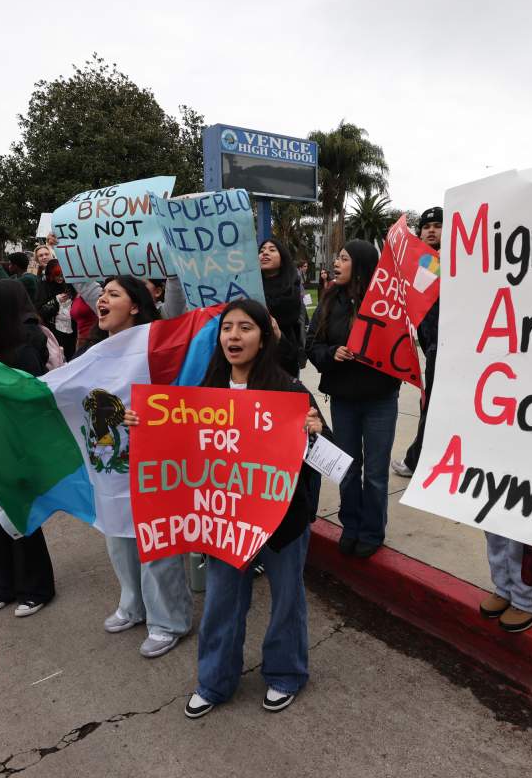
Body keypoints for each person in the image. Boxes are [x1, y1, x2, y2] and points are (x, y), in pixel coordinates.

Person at [125, 299, 324, 718]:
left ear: (263, 337)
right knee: (221, 601)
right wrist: (143, 425)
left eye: (245, 328)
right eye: (227, 328)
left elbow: (328, 456)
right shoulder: (203, 392)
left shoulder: (290, 390)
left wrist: (314, 431)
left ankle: (286, 673)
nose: (234, 336)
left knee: (288, 599)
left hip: (283, 521)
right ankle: (215, 681)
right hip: (223, 520)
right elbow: (178, 444)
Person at [95, 276, 193, 657]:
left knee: (157, 540)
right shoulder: (93, 352)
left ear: (135, 305)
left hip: (157, 458)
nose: (102, 299)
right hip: (113, 465)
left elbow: (182, 396)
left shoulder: (159, 342)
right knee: (118, 536)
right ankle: (133, 604)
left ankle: (169, 619)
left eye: (113, 294)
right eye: (101, 294)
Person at [0, 280, 55, 618]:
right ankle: (2, 587)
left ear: (0, 310)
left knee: (19, 517)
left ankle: (36, 588)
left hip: (14, 448)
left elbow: (33, 401)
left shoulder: (22, 350)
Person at [307, 240, 400, 557]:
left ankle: (372, 531)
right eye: (337, 257)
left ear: (360, 265)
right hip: (344, 400)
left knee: (375, 472)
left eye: (344, 259)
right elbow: (312, 346)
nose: (336, 263)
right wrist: (334, 353)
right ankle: (351, 525)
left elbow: (400, 349)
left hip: (380, 401)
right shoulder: (329, 300)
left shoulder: (384, 304)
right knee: (348, 467)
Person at [392, 206, 443, 478]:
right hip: (433, 348)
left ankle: (415, 460)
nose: (432, 230)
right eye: (427, 226)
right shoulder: (427, 263)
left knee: (432, 405)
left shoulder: (452, 262)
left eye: (438, 225)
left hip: (445, 349)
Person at [258, 238, 307, 377]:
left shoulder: (292, 287)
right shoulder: (247, 285)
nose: (265, 253)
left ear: (282, 258)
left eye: (272, 250)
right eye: (261, 251)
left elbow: (287, 316)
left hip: (284, 358)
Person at [37, 262, 76, 362]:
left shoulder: (71, 286)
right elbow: (40, 311)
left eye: (62, 275)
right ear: (50, 275)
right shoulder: (43, 287)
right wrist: (55, 301)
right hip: (54, 331)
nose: (60, 278)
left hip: (72, 332)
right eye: (57, 275)